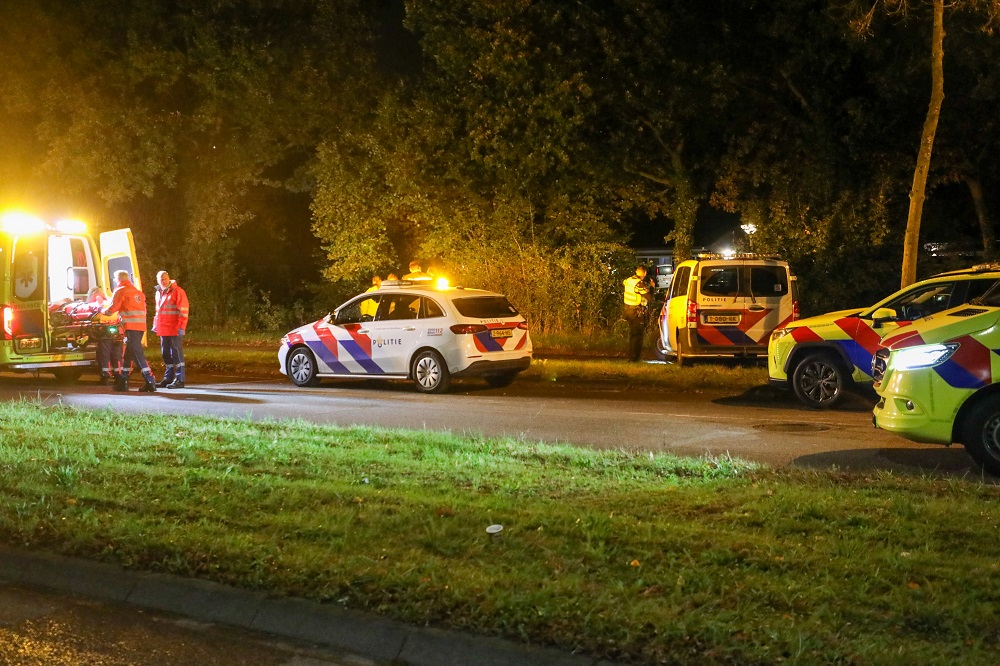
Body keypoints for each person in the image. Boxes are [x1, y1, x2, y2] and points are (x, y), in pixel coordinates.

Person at [102, 270, 157, 392]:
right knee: (129, 355)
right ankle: (123, 380)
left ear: (119, 279)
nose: (115, 280)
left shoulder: (121, 290)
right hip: (141, 326)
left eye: (115, 278)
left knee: (138, 354)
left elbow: (113, 309)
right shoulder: (138, 292)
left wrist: (102, 311)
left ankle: (150, 380)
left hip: (130, 326)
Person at [153, 270, 190, 389]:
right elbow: (158, 312)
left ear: (169, 278)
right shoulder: (159, 292)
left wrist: (181, 327)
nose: (163, 281)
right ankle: (168, 378)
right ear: (157, 280)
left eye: (165, 279)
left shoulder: (177, 291)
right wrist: (156, 325)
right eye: (161, 279)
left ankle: (180, 379)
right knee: (166, 354)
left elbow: (183, 311)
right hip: (164, 329)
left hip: (174, 328)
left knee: (176, 354)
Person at [87, 286, 123, 385]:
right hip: (117, 330)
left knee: (104, 354)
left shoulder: (95, 299)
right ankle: (119, 375)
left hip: (104, 330)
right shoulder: (108, 299)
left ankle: (105, 376)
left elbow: (93, 309)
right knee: (117, 355)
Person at [623, 266, 651, 362]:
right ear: (644, 274)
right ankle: (634, 358)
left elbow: (625, 283)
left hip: (627, 310)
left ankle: (632, 357)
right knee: (637, 336)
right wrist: (652, 286)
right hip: (635, 312)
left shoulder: (628, 280)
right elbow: (649, 297)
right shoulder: (638, 284)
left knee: (633, 335)